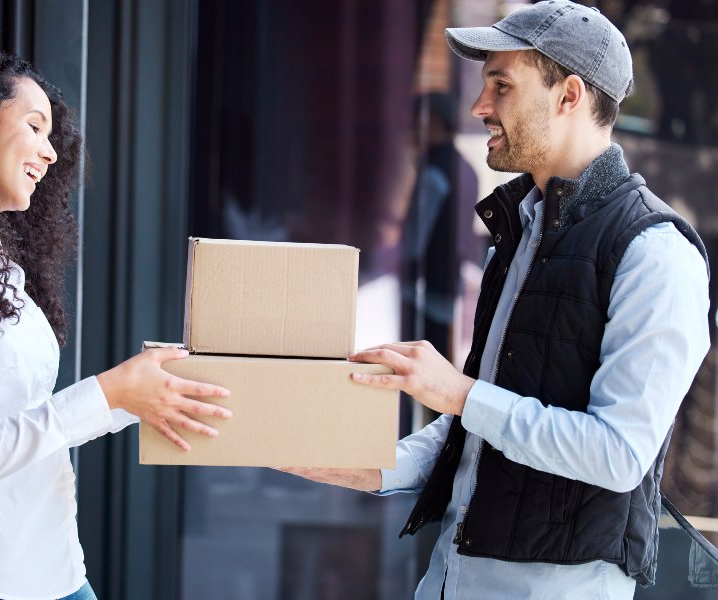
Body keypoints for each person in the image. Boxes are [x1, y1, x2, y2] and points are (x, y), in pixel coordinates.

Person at [280, 2, 711, 598]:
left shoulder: (654, 254)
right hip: (451, 578)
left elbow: (617, 454)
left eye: (501, 85)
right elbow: (483, 424)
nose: (479, 106)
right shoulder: (523, 231)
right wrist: (369, 464)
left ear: (569, 95)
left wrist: (455, 393)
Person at [0, 48, 232, 600]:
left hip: (55, 566)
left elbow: (32, 414)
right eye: (34, 126)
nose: (49, 152)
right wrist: (109, 393)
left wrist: (138, 397)